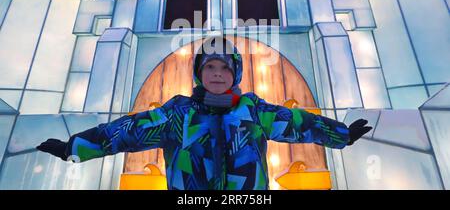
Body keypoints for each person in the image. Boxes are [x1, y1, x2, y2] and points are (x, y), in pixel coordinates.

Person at [37, 36, 371, 190]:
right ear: (199, 73)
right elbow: (125, 132)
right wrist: (73, 148)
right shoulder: (177, 114)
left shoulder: (252, 110)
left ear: (234, 74)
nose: (216, 74)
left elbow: (299, 124)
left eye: (224, 68)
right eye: (209, 67)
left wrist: (340, 134)